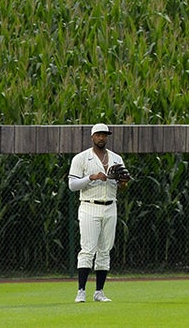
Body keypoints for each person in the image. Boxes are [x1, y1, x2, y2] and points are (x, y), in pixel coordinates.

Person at [68, 123, 129, 303]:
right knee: (88, 249)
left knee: (105, 250)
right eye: (98, 135)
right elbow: (72, 185)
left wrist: (123, 182)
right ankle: (81, 291)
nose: (101, 138)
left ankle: (99, 291)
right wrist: (91, 177)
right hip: (89, 205)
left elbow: (122, 185)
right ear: (92, 136)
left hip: (111, 205)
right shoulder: (81, 158)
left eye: (104, 135)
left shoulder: (116, 158)